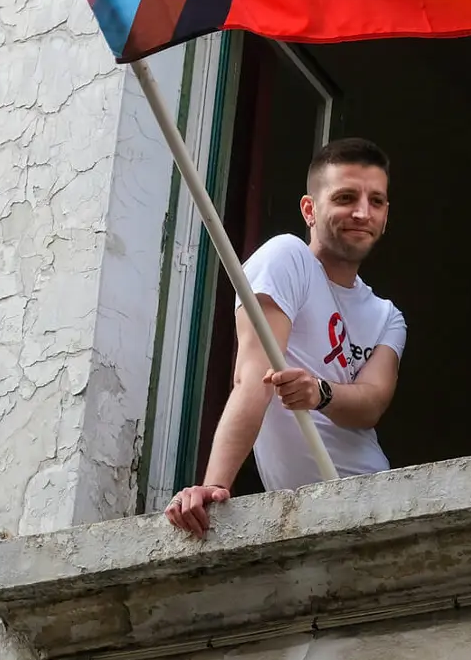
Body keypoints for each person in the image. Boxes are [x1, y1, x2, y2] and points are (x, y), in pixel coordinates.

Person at [164, 137, 406, 537]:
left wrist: (319, 393)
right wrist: (215, 484)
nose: (363, 212)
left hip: (374, 497)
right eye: (346, 197)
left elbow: (371, 404)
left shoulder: (386, 316)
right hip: (308, 519)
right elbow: (252, 380)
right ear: (310, 209)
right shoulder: (287, 258)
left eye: (376, 201)